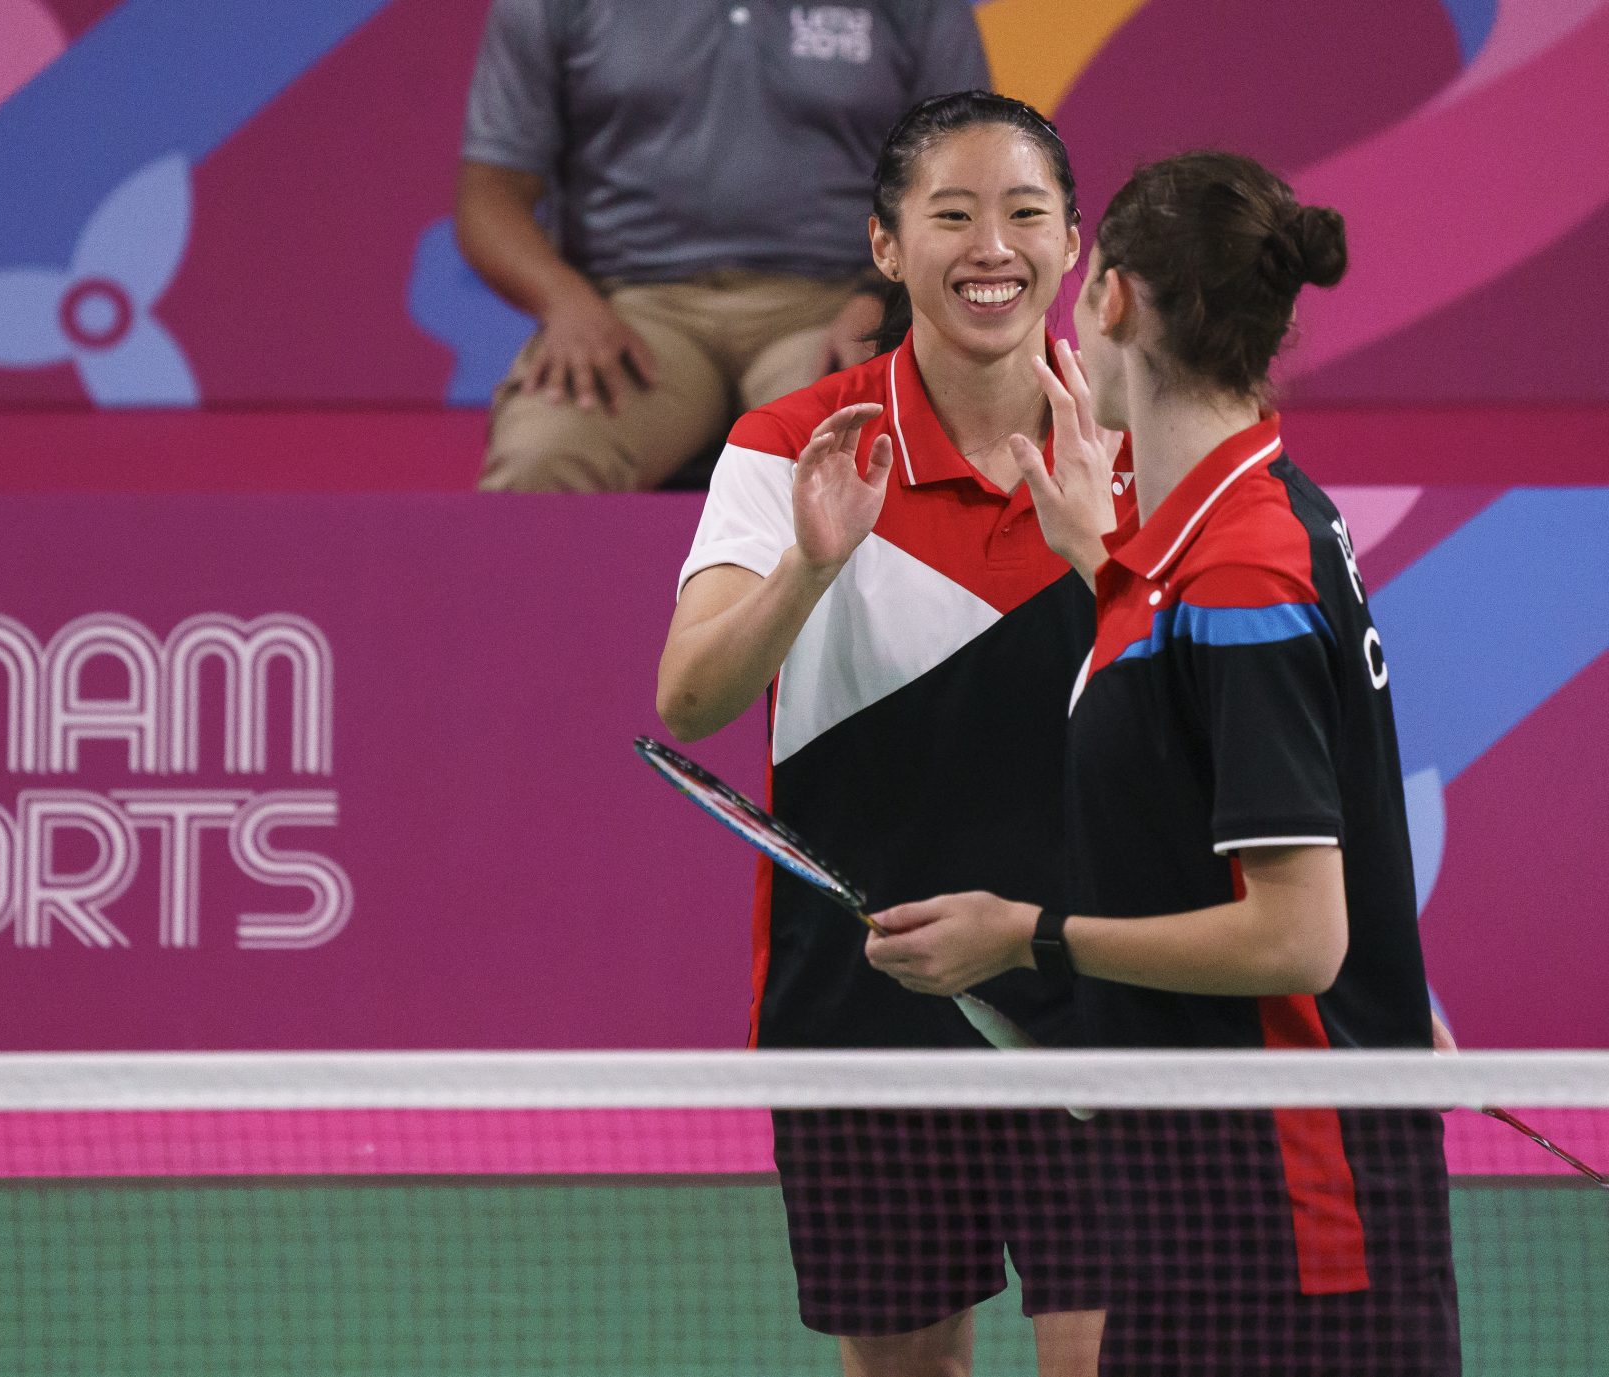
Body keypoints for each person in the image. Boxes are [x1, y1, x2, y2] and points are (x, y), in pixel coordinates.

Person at [861, 151, 1461, 1375]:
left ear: (1115, 301)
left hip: (1295, 1220)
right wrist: (1098, 561)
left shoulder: (1240, 571)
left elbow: (1298, 939)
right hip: (1201, 1196)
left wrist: (1026, 935)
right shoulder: (1228, 531)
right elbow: (1209, 753)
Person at [657, 91, 1130, 1377]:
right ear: (884, 246)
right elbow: (687, 699)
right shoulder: (787, 447)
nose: (992, 248)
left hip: (1104, 985)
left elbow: (1212, 719)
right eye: (952, 215)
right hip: (869, 999)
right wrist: (808, 568)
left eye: (1024, 213)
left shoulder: (1138, 447)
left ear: (1073, 241)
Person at [457, 0, 989, 492]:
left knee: (864, 465)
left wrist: (886, 304)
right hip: (636, 314)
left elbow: (969, 175)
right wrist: (563, 301)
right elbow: (491, 197)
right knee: (541, 459)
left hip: (839, 307)